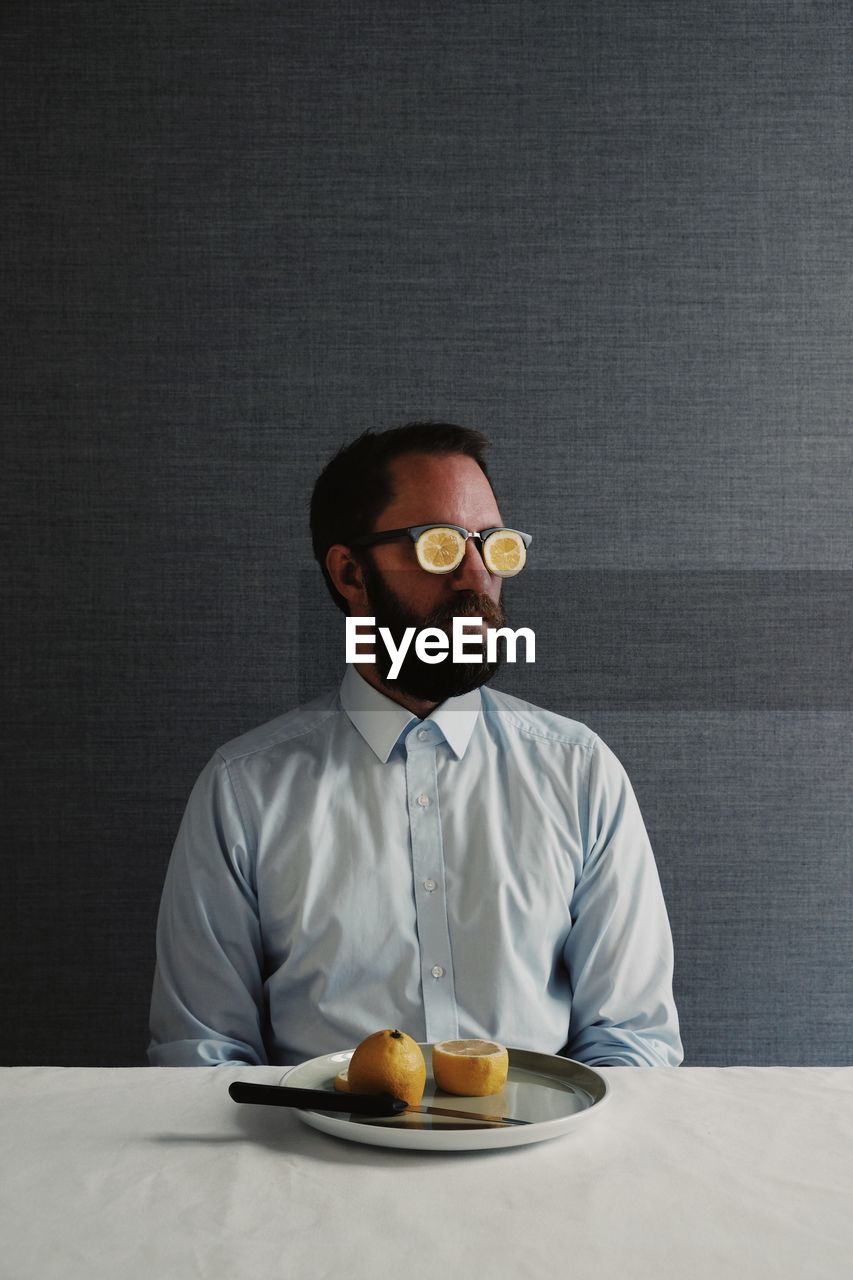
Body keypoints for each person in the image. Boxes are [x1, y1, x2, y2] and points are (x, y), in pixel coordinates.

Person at [148, 422, 683, 1068]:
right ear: (350, 573)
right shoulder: (243, 788)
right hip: (316, 1163)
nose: (475, 574)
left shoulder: (578, 772)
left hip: (536, 1162)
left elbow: (632, 1042)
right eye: (439, 546)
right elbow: (202, 1054)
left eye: (493, 545)